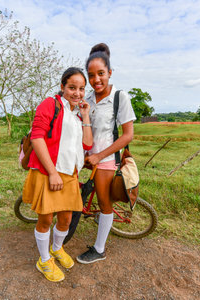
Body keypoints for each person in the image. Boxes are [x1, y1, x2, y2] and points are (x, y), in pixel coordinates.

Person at [22, 67, 93, 282]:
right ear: (62, 87)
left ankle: (56, 248)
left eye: (81, 89)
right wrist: (52, 172)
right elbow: (37, 137)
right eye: (72, 87)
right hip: (49, 172)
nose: (77, 93)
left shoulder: (75, 114)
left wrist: (86, 115)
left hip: (70, 174)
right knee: (46, 219)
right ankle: (44, 260)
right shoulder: (50, 104)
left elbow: (88, 143)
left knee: (66, 218)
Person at [77, 43, 136, 264]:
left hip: (106, 159)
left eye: (101, 74)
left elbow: (127, 135)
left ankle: (99, 249)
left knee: (104, 203)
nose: (96, 80)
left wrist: (99, 157)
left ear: (109, 73)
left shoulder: (120, 97)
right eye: (91, 75)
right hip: (86, 157)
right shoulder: (87, 99)